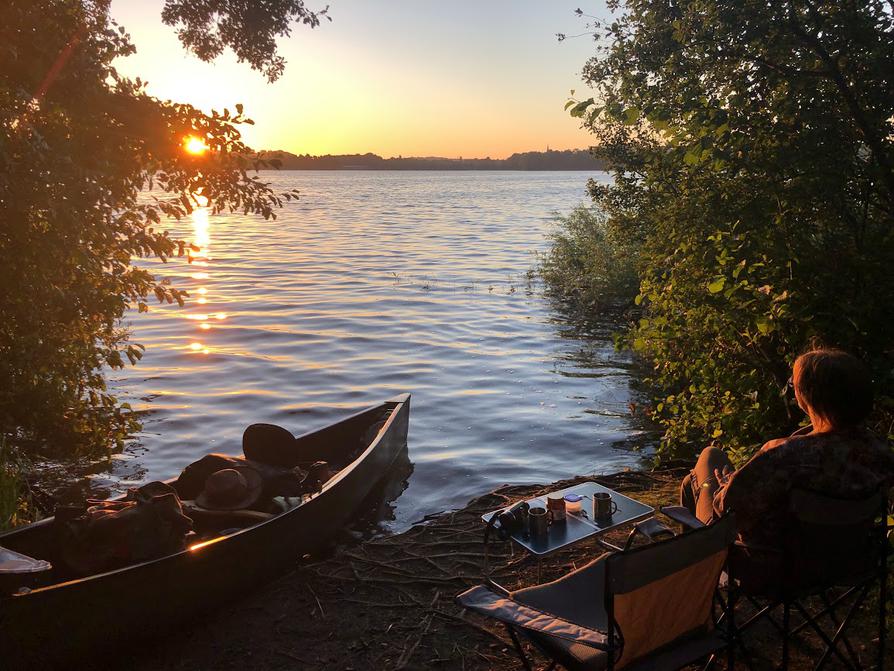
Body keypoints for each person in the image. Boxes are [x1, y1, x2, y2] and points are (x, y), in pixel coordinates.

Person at [680, 348, 894, 567]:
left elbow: (726, 513)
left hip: (770, 567)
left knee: (709, 457)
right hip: (848, 563)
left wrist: (725, 486)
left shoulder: (784, 456)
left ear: (808, 396)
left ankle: (693, 575)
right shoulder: (881, 451)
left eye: (793, 383)